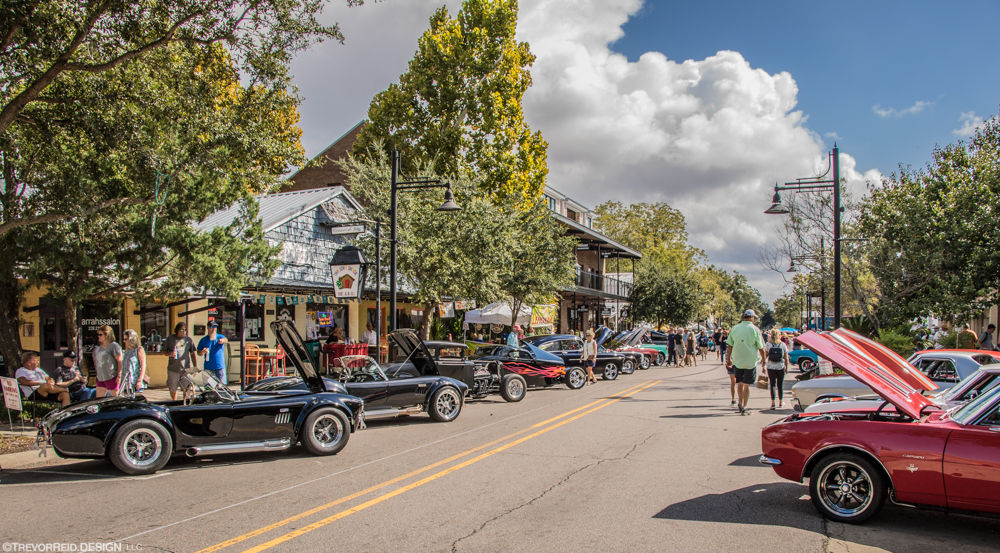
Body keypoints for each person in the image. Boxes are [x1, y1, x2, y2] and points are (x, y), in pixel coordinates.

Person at [726, 310, 766, 416]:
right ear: (752, 318)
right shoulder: (755, 329)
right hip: (750, 362)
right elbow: (761, 347)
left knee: (739, 383)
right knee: (747, 385)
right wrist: (764, 360)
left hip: (737, 361)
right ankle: (744, 406)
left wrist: (728, 359)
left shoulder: (735, 328)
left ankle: (739, 402)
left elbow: (729, 345)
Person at [164, 322, 198, 400]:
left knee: (186, 388)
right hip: (173, 369)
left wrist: (195, 367)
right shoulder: (170, 338)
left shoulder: (188, 340)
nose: (184, 331)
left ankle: (185, 404)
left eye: (185, 330)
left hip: (185, 369)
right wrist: (170, 354)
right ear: (177, 330)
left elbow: (192, 354)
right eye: (182, 329)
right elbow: (164, 351)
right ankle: (174, 402)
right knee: (173, 388)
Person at [93, 325, 123, 397]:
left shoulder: (114, 346)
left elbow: (120, 361)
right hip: (101, 377)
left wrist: (119, 376)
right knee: (99, 400)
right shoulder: (99, 348)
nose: (99, 336)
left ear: (107, 335)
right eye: (98, 334)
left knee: (115, 398)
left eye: (101, 334)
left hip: (111, 376)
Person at [764, 328, 790, 410]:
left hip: (771, 367)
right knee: (780, 385)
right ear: (779, 335)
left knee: (772, 385)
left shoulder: (768, 344)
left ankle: (773, 403)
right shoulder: (782, 344)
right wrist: (786, 367)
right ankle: (780, 401)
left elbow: (765, 356)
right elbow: (786, 357)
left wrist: (763, 365)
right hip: (780, 366)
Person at [198, 321, 229, 385]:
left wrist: (223, 341)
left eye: (215, 327)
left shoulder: (219, 337)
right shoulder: (203, 340)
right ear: (208, 328)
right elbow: (199, 353)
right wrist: (203, 351)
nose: (214, 328)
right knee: (209, 387)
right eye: (212, 327)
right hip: (208, 367)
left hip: (219, 366)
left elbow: (226, 340)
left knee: (222, 387)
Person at [120, 329, 148, 395]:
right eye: (123, 339)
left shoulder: (139, 349)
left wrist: (140, 380)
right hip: (127, 382)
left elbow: (143, 365)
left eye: (126, 339)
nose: (124, 341)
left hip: (135, 381)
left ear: (131, 339)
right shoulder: (127, 351)